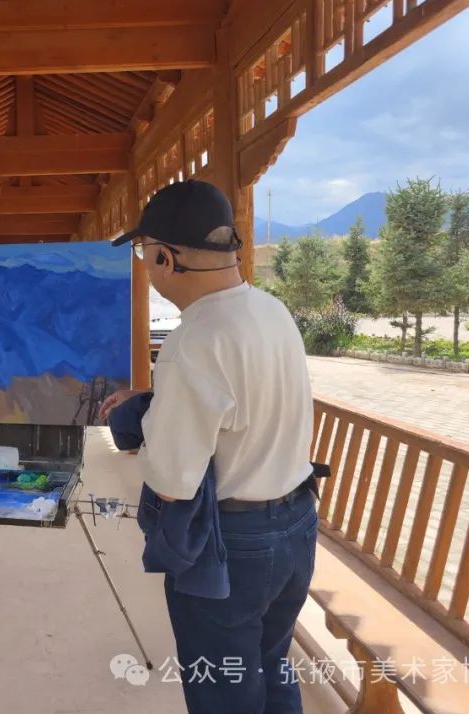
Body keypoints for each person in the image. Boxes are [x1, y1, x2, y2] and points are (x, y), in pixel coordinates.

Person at [100, 180, 317, 714]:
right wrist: (161, 402)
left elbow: (172, 482)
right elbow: (241, 406)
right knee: (270, 666)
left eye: (145, 255)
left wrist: (145, 424)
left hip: (235, 545)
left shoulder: (194, 340)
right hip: (296, 526)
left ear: (165, 256)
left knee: (225, 692)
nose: (146, 267)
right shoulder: (271, 311)